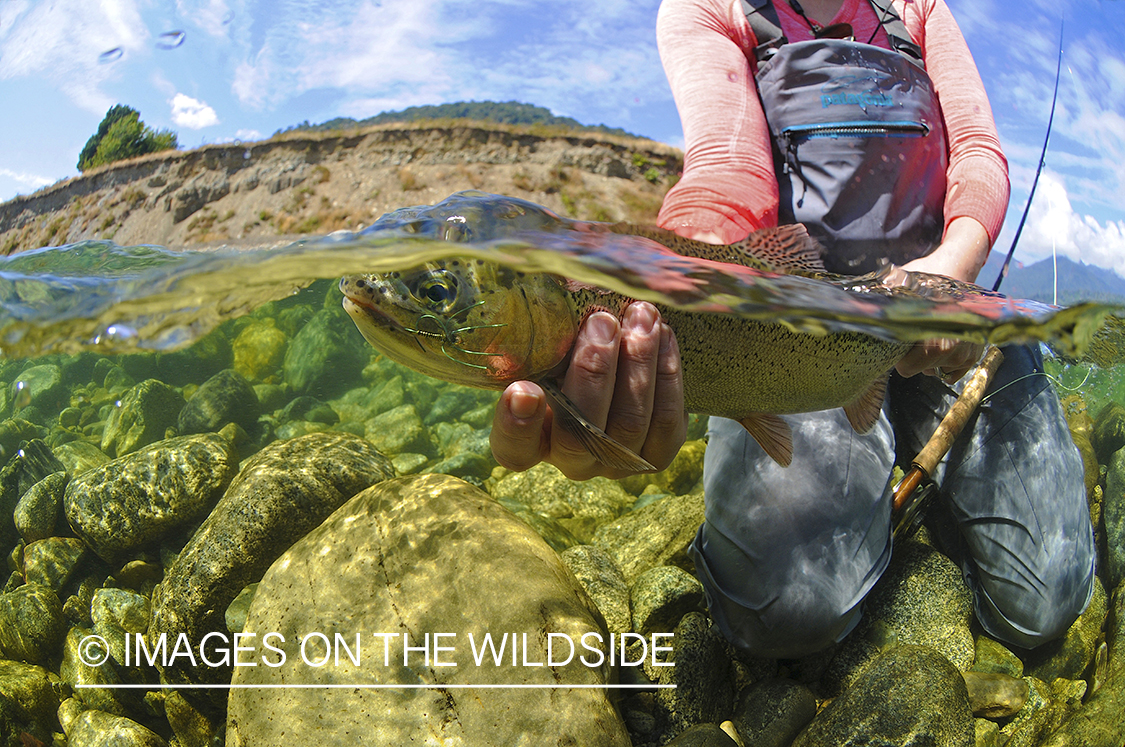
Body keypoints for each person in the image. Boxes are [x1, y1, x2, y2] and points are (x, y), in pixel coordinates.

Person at [491, 0, 1096, 658]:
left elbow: (977, 154)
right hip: (792, 332)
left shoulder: (919, 7)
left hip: (941, 308)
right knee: (783, 614)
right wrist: (657, 279)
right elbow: (727, 171)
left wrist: (947, 276)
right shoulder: (707, 8)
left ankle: (913, 499)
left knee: (1047, 604)